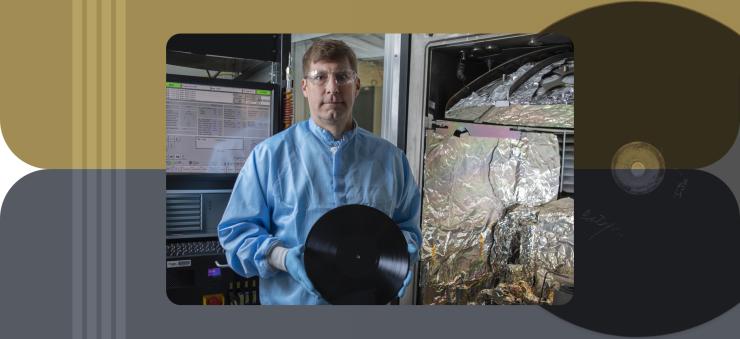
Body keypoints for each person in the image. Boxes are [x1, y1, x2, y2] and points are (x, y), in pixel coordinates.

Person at [218, 39, 421, 305]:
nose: (332, 88)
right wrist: (282, 257)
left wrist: (403, 254)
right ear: (304, 87)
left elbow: (408, 229)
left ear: (356, 85)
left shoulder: (391, 160)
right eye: (320, 77)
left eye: (342, 77)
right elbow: (236, 235)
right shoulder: (269, 157)